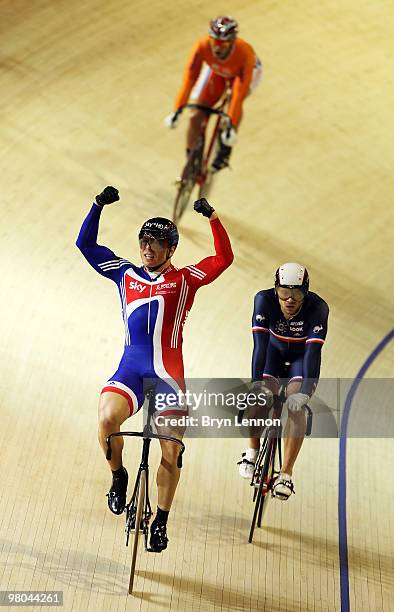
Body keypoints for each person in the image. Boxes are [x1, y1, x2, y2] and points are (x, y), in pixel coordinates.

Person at [76, 187, 233, 551]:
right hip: (130, 370)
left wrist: (213, 217)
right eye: (143, 241)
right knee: (105, 420)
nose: (147, 248)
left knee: (170, 450)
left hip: (167, 376)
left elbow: (224, 258)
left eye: (155, 243)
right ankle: (118, 476)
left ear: (171, 249)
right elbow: (86, 245)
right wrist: (97, 205)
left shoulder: (185, 279)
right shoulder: (125, 273)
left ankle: (161, 521)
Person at [238, 263, 329, 500]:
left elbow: (312, 355)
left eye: (296, 294)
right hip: (272, 355)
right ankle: (252, 450)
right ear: (275, 289)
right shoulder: (263, 300)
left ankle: (286, 474)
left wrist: (305, 393)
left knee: (295, 407)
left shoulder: (318, 308)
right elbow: (259, 347)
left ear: (305, 292)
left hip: (301, 360)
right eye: (284, 293)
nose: (289, 299)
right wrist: (256, 383)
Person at [165, 16, 262, 171]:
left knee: (232, 104)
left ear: (231, 42)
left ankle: (224, 151)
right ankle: (191, 162)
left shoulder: (245, 54)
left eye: (222, 44)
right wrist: (177, 110)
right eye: (214, 42)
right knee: (195, 114)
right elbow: (189, 81)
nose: (217, 48)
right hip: (217, 71)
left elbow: (238, 97)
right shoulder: (202, 46)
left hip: (244, 74)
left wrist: (231, 125)